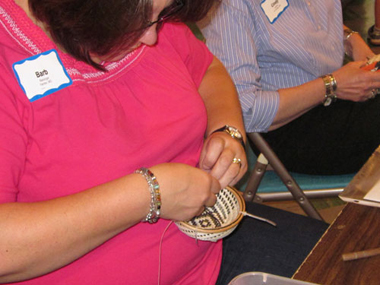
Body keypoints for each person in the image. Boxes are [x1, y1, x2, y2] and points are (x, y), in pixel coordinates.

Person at [0, 0, 327, 284]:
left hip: (208, 259)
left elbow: (209, 71)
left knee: (335, 255)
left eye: (160, 14)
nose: (153, 36)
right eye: (144, 18)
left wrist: (227, 132)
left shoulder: (146, 16)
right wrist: (148, 195)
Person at [201, 0, 380, 175]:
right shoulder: (230, 6)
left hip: (333, 95)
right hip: (288, 127)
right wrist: (331, 85)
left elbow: (305, 19)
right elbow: (244, 110)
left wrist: (351, 40)